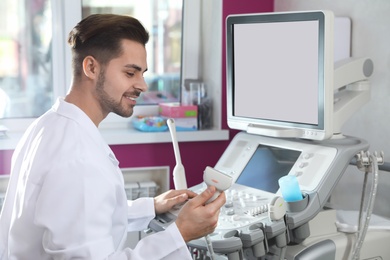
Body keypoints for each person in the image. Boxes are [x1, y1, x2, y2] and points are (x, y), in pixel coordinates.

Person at [0, 14, 226, 259]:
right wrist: (179, 234)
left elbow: (77, 214)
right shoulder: (78, 158)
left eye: (142, 74)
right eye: (130, 73)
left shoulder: (48, 125)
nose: (143, 85)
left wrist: (150, 207)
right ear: (91, 67)